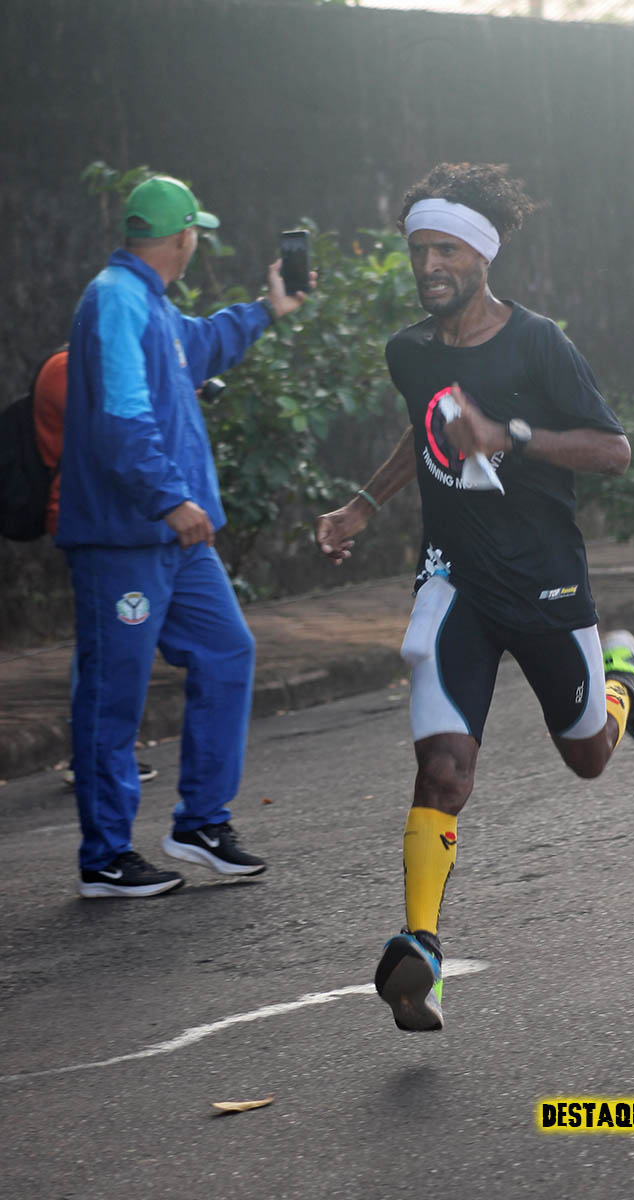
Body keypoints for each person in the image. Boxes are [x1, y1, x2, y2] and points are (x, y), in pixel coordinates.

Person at [315, 162, 634, 1032]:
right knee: (442, 769)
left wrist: (506, 435)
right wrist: (365, 504)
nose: (429, 265)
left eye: (446, 250)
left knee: (588, 758)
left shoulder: (539, 344)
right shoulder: (410, 352)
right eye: (419, 251)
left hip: (546, 584)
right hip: (455, 585)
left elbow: (613, 450)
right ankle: (422, 949)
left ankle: (624, 681)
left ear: (481, 255)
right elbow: (422, 428)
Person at [58, 175, 313, 899]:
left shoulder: (152, 304)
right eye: (196, 232)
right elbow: (122, 419)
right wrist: (170, 499)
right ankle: (106, 858)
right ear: (183, 238)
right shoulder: (115, 298)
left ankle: (201, 822)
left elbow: (201, 345)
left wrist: (268, 308)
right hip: (128, 540)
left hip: (176, 541)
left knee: (228, 651)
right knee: (113, 695)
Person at [32, 347, 159, 788]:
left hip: (112, 519)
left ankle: (100, 750)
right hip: (88, 518)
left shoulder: (89, 366)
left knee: (105, 635)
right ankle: (93, 754)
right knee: (105, 637)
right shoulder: (68, 368)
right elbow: (112, 431)